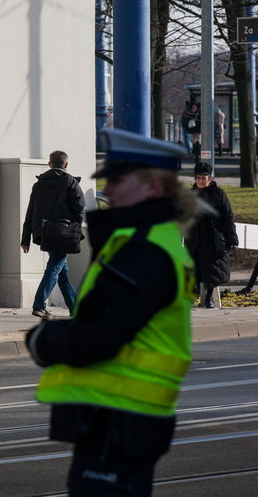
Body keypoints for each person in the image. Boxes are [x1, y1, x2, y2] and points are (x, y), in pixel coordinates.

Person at [25, 127, 201, 497]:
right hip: (124, 414)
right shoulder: (150, 241)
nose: (110, 190)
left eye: (120, 181)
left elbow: (101, 334)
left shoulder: (144, 251)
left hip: (120, 415)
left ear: (153, 187)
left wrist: (43, 340)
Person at [20, 151, 85, 319]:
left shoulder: (39, 184)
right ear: (66, 165)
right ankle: (39, 305)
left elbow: (30, 212)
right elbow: (80, 209)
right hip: (63, 233)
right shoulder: (70, 182)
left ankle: (75, 307)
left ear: (49, 164)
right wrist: (75, 229)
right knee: (55, 267)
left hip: (44, 232)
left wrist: (25, 238)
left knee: (62, 271)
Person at [185, 162, 238, 309]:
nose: (201, 181)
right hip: (193, 239)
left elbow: (228, 217)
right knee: (192, 270)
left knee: (212, 271)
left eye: (204, 178)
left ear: (210, 178)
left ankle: (209, 298)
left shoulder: (219, 194)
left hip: (212, 240)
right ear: (195, 179)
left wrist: (232, 238)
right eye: (199, 178)